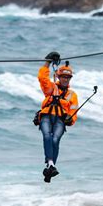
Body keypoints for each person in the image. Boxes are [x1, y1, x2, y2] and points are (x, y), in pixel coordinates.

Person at [37, 51, 78, 183]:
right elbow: (42, 78)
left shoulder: (72, 95)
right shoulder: (51, 88)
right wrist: (48, 62)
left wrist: (70, 120)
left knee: (55, 140)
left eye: (68, 77)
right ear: (59, 77)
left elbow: (73, 111)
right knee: (47, 136)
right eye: (63, 77)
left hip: (60, 119)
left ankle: (50, 167)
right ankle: (50, 164)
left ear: (70, 79)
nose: (65, 79)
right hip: (46, 116)